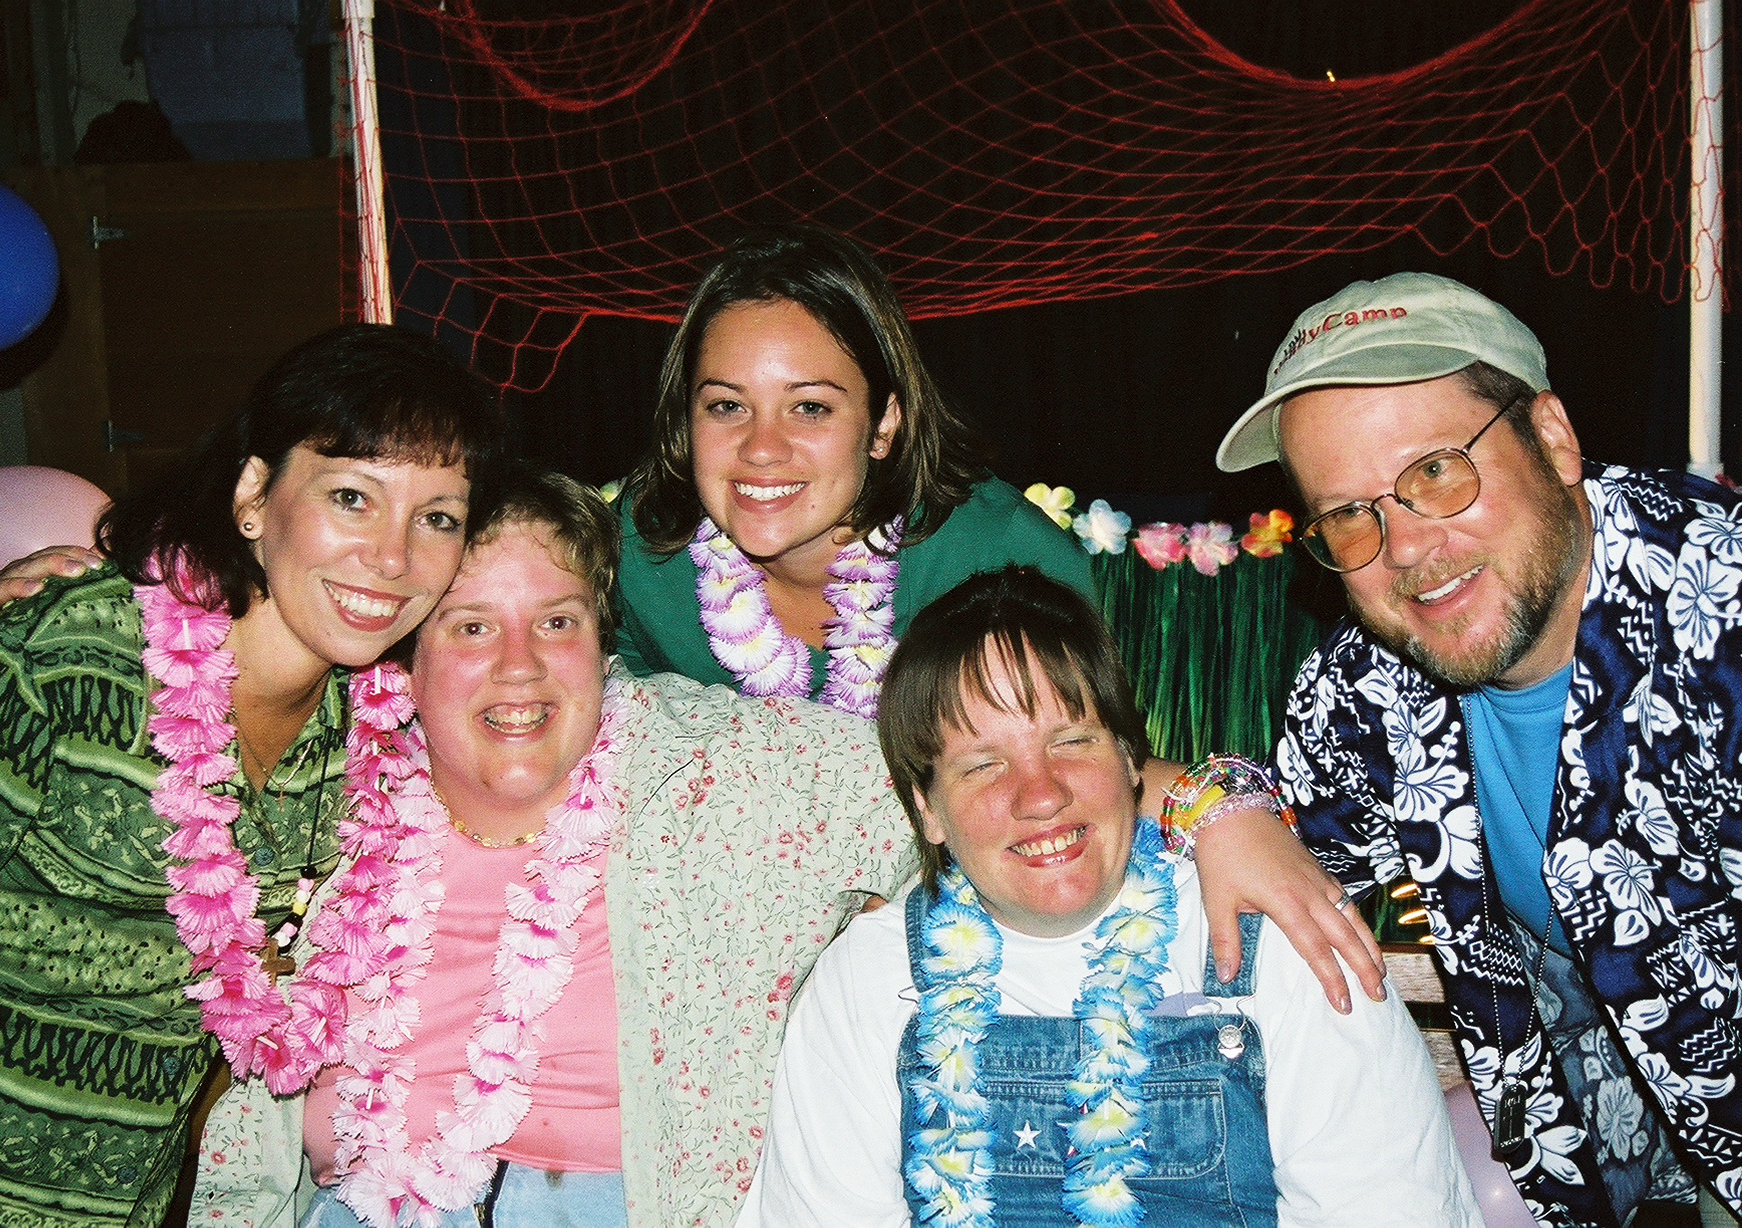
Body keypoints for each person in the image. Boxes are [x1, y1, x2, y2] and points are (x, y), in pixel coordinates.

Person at [190, 461, 913, 1228]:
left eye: (557, 622)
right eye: (472, 626)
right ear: (406, 662)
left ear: (602, 645)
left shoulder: (713, 770)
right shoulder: (326, 793)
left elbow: (950, 787)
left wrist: (877, 952)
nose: (519, 665)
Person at [1201, 271, 1742, 1227]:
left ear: (1553, 438)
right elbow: (1261, 824)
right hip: (1602, 1139)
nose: (1406, 547)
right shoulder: (1369, 685)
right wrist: (1218, 804)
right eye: (1348, 514)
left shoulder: (1724, 617)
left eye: (1435, 474)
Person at [0, 323, 501, 1228]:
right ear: (252, 495)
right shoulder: (63, 661)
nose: (394, 558)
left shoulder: (370, 735)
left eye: (438, 517)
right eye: (352, 497)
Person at [738, 566, 1483, 1228]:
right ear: (927, 810)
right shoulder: (871, 980)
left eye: (1070, 742)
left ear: (1131, 758)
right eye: (983, 765)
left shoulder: (1278, 935)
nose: (1040, 795)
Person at [616, 224, 1094, 717]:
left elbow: (1091, 750)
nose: (761, 449)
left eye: (810, 407)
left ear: (884, 423)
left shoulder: (1004, 555)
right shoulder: (637, 555)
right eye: (727, 406)